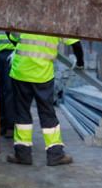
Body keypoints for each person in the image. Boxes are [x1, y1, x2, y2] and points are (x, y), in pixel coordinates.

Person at [7, 33, 85, 167]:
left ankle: (22, 154)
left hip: (21, 71)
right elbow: (75, 43)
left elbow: (11, 35)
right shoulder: (56, 22)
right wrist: (80, 62)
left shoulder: (25, 16)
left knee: (22, 112)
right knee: (47, 113)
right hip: (43, 74)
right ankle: (55, 155)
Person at [0, 31, 19, 138]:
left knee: (6, 91)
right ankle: (4, 125)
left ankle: (7, 125)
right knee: (4, 91)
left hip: (10, 53)